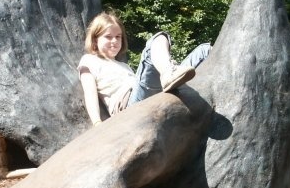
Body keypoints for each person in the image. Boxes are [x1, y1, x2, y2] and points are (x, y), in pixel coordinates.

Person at [78, 11, 210, 126]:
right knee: (158, 38)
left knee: (204, 50)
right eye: (108, 36)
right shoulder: (89, 60)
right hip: (128, 106)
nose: (114, 41)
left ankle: (169, 71)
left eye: (118, 37)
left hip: (148, 94)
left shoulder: (124, 65)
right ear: (95, 40)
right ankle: (168, 72)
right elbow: (89, 93)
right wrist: (97, 122)